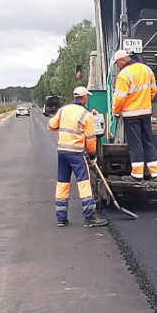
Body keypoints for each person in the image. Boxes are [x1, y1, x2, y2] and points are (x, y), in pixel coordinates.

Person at [48, 87, 108, 228]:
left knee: (62, 183)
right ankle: (90, 218)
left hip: (62, 151)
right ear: (85, 97)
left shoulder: (64, 110)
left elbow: (51, 125)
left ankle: (61, 218)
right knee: (84, 182)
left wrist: (62, 131)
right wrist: (93, 155)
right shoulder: (86, 115)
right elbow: (91, 140)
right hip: (76, 153)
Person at [112, 49, 157, 180]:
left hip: (131, 114)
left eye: (117, 63)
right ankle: (155, 174)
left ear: (122, 60)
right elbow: (153, 90)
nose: (118, 66)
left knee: (135, 144)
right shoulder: (147, 69)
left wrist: (116, 112)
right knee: (148, 142)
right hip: (146, 113)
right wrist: (144, 102)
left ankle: (137, 175)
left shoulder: (124, 74)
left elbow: (119, 97)